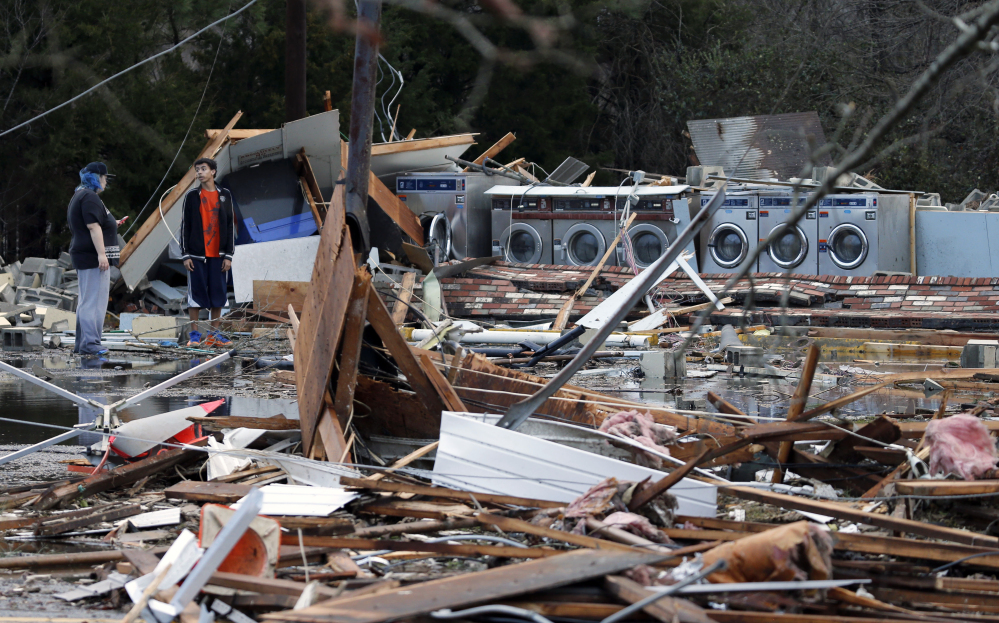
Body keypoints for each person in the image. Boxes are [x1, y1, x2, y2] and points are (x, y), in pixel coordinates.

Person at [67, 162, 123, 356]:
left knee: (86, 300)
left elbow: (94, 222)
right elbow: (93, 227)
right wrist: (102, 254)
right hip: (92, 257)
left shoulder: (81, 194)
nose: (106, 181)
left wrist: (112, 224)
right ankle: (91, 343)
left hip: (85, 255)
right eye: (105, 178)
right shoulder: (90, 197)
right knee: (93, 301)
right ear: (96, 177)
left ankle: (83, 343)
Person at [180, 157, 236, 347]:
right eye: (197, 170)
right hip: (197, 254)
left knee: (218, 294)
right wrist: (185, 254)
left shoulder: (225, 194)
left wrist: (229, 255)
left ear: (213, 172)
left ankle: (215, 335)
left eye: (203, 169)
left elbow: (230, 225)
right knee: (195, 295)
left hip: (218, 254)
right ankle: (194, 335)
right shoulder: (191, 196)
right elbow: (185, 227)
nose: (199, 172)